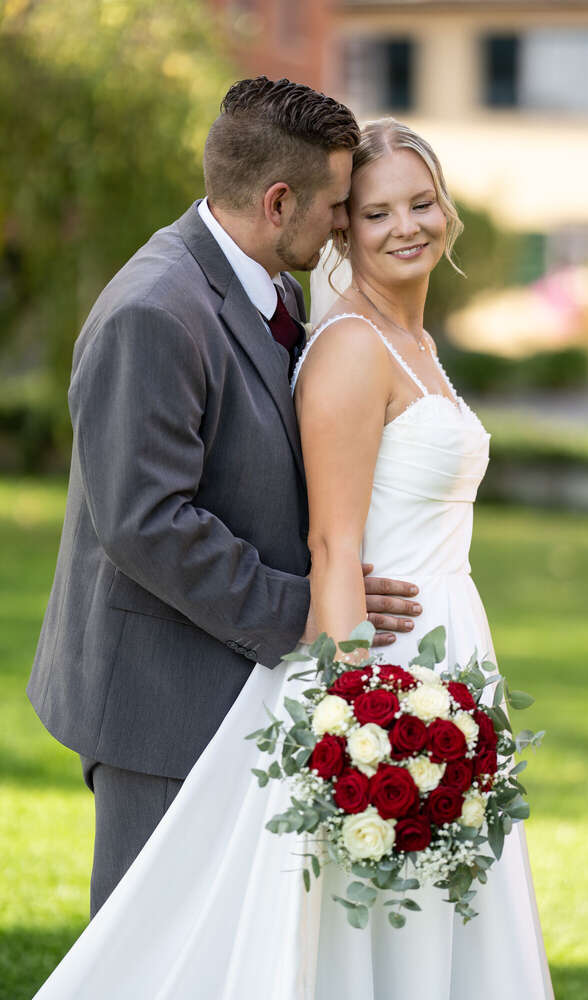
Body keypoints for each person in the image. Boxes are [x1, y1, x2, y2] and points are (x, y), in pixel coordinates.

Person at [31, 116, 554, 999]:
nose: (404, 226)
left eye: (422, 203)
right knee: (182, 940)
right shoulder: (199, 312)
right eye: (366, 210)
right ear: (315, 216)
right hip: (312, 663)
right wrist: (354, 701)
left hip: (433, 645)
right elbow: (200, 527)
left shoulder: (327, 319)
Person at [26, 77, 423, 924]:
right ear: (279, 201)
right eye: (337, 206)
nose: (346, 225)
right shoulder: (156, 312)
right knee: (152, 952)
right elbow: (146, 524)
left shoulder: (267, 281)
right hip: (157, 699)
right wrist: (313, 608)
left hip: (228, 675)